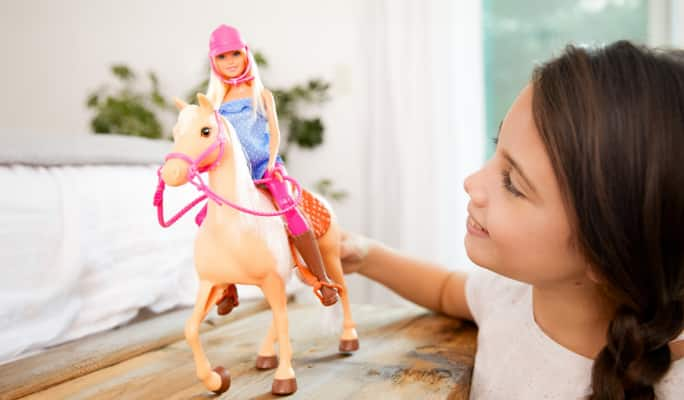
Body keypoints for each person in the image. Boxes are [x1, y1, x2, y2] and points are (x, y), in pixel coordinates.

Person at [340, 41, 684, 399]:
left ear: (607, 254)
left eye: (513, 184)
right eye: (496, 146)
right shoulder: (508, 299)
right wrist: (366, 256)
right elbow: (444, 289)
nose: (472, 183)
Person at [204, 24, 339, 310]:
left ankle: (322, 279)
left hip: (265, 167)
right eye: (222, 57)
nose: (230, 62)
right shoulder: (215, 102)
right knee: (212, 219)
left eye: (234, 54)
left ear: (245, 54)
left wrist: (271, 163)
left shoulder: (260, 94)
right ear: (213, 62)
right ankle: (227, 286)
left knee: (291, 212)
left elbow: (274, 133)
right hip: (236, 174)